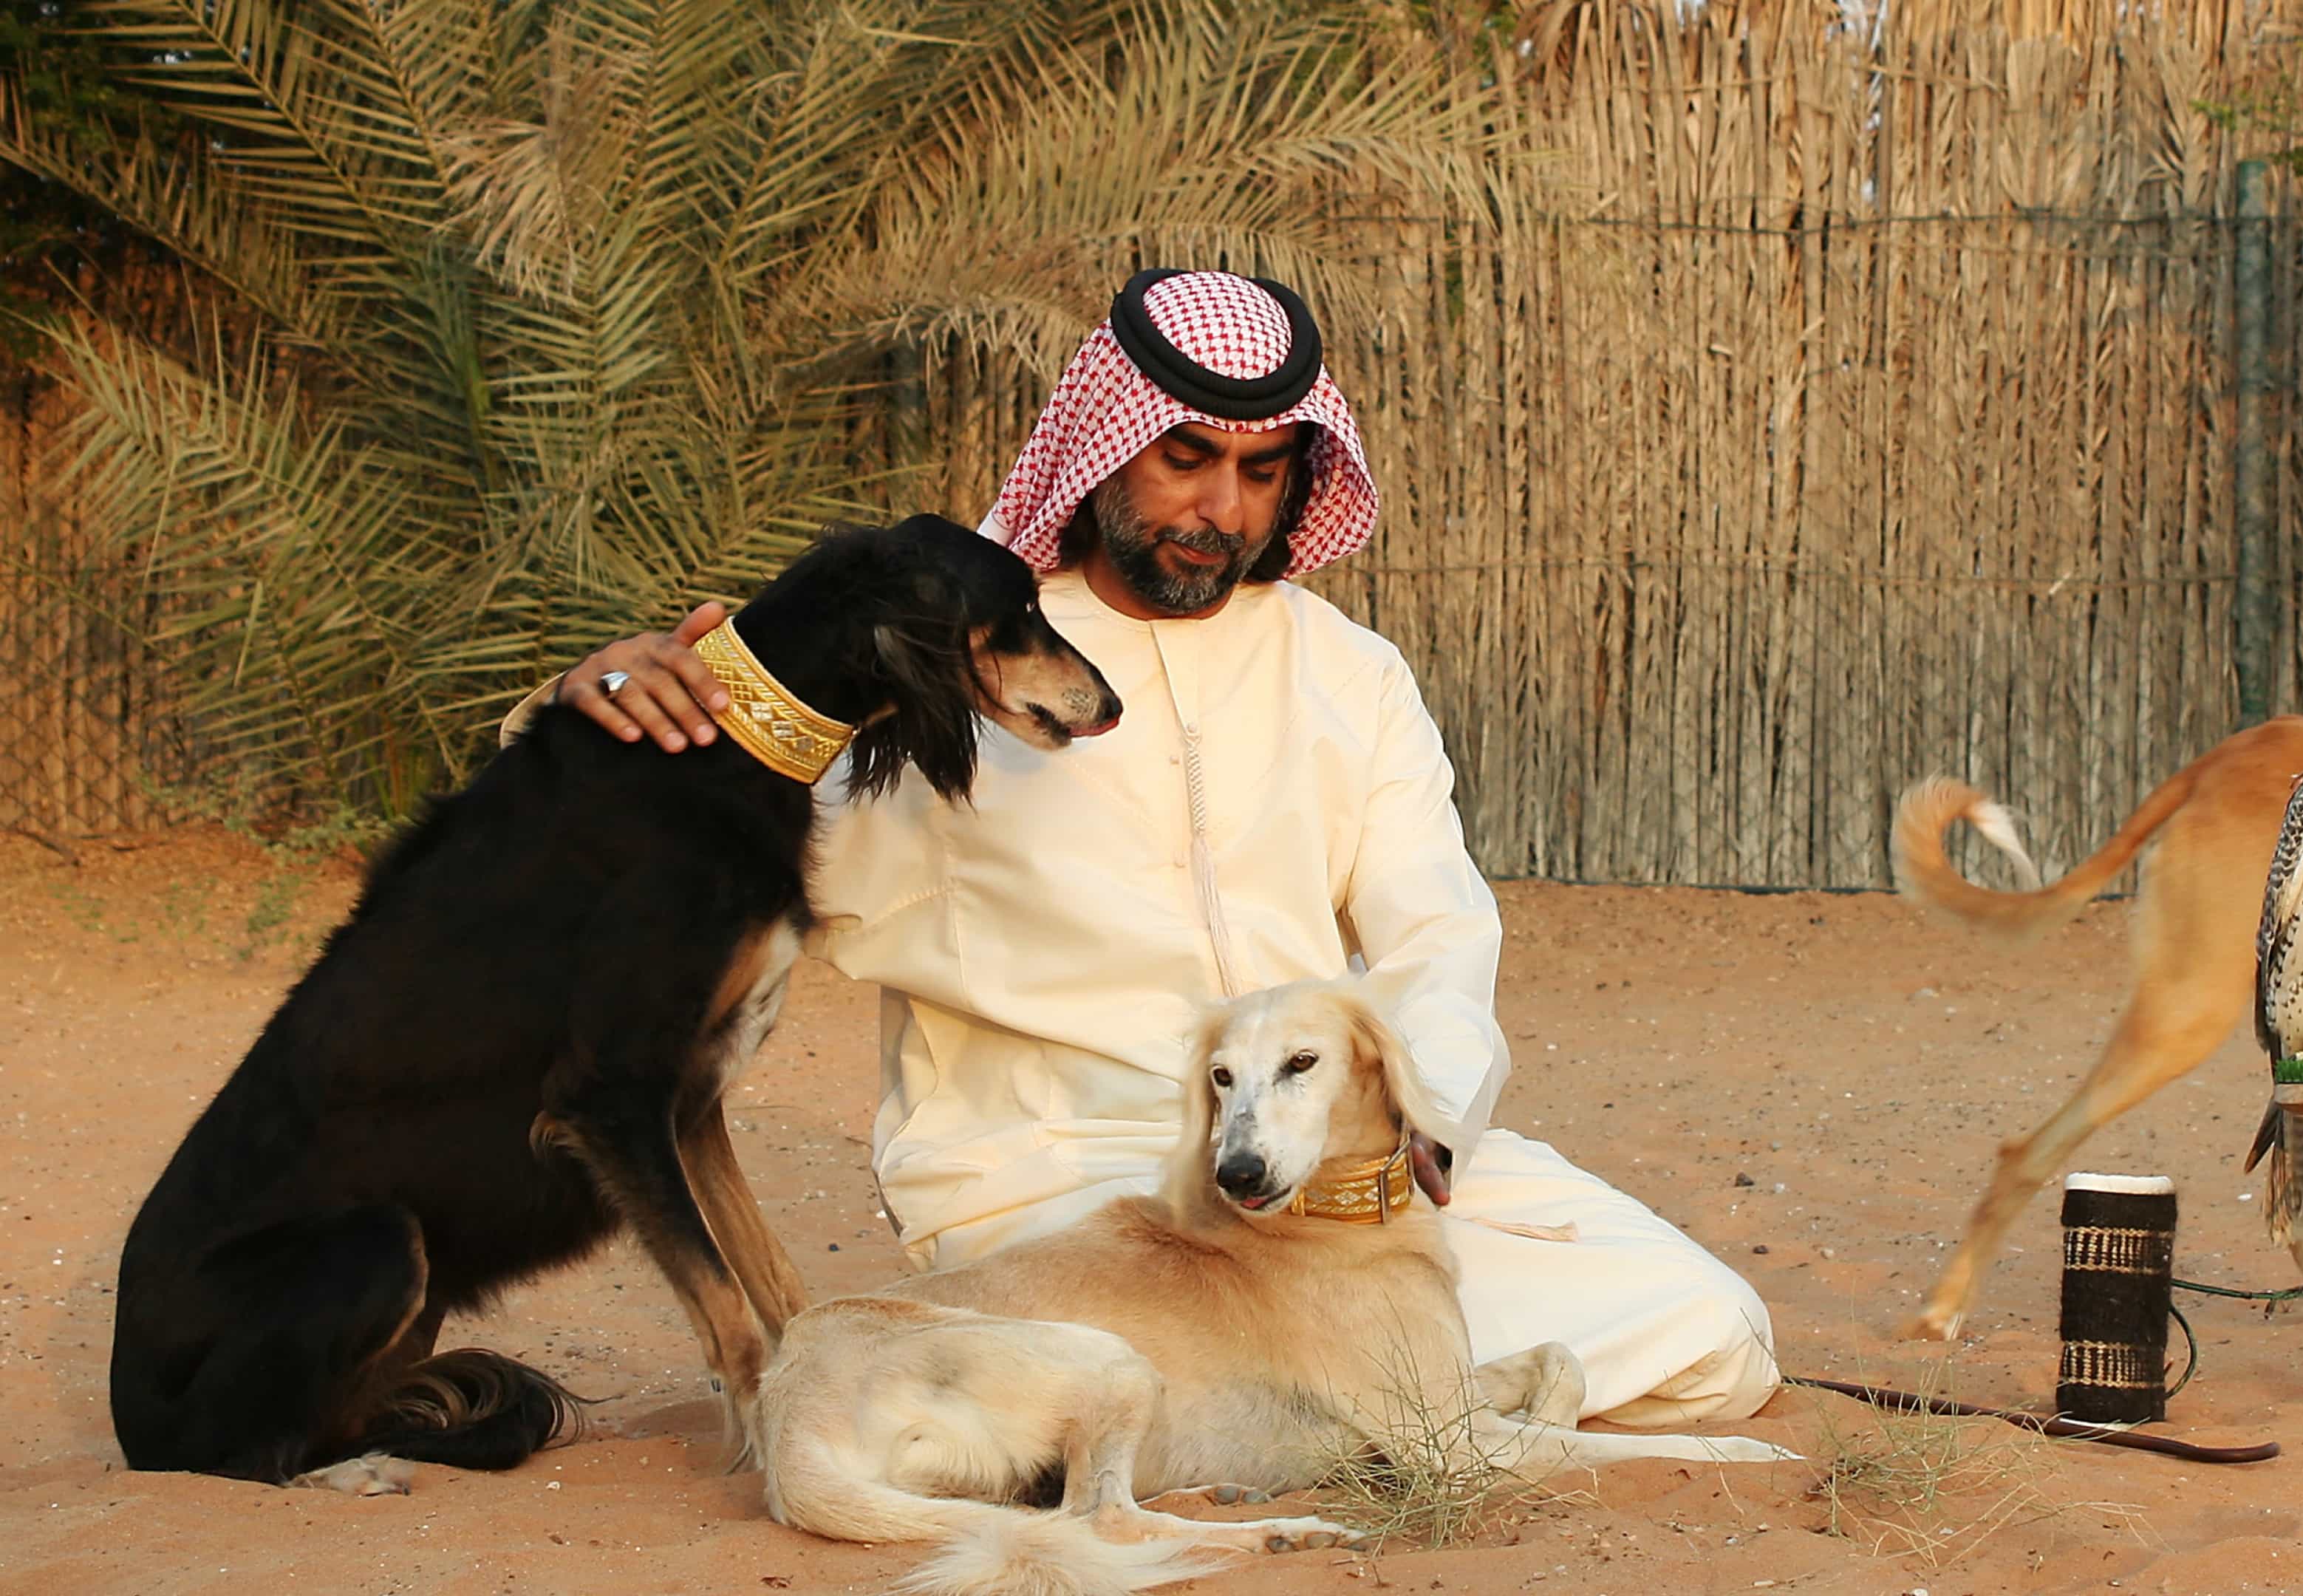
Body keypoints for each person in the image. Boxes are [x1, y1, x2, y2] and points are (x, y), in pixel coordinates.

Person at [535, 268, 1777, 1425]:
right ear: (1102, 444)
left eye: (1260, 471)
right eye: (1185, 459)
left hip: (1330, 1173)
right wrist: (582, 706)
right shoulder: (954, 669)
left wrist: (1421, 1132)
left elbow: (1437, 939)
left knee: (1705, 1331)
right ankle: (1367, 1416)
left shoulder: (1347, 672)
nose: (1219, 509)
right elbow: (685, 834)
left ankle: (1354, 1415)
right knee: (1265, 1379)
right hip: (1067, 1191)